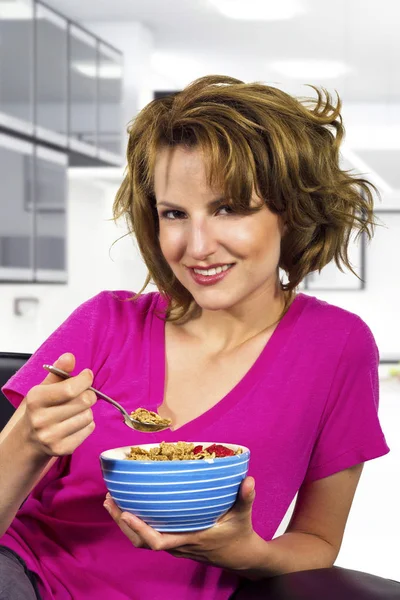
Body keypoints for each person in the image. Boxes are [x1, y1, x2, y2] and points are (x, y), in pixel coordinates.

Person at [0, 75, 389, 600]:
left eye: (228, 208)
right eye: (174, 214)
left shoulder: (338, 347)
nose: (197, 246)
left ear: (291, 211)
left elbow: (317, 540)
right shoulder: (104, 322)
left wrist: (244, 553)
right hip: (29, 577)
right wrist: (26, 438)